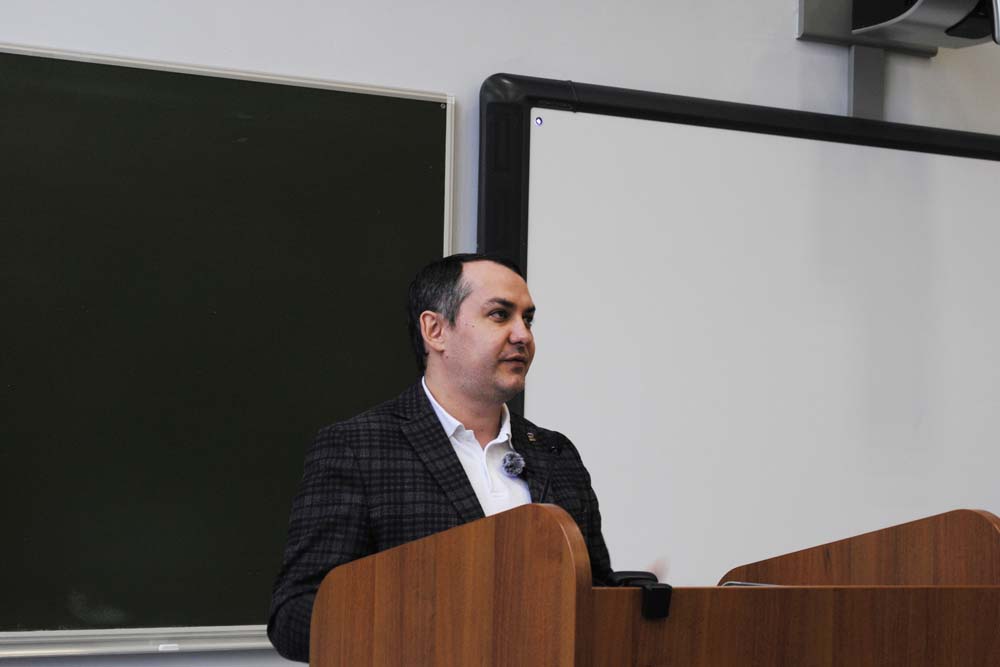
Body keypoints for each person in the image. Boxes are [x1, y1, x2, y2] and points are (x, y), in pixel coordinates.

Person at [267, 253, 612, 662]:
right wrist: (430, 628)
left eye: (528, 319)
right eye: (500, 315)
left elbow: (597, 595)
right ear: (435, 330)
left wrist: (634, 605)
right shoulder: (358, 448)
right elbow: (294, 616)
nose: (523, 335)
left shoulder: (555, 452)